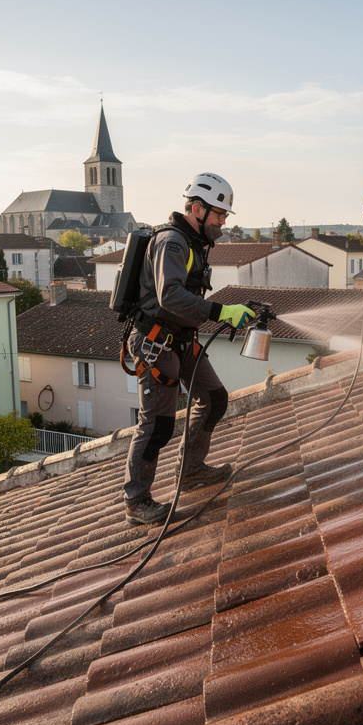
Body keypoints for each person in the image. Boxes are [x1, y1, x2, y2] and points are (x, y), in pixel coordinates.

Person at [122, 173, 256, 525]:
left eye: (225, 216)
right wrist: (220, 311)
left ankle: (192, 470)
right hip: (156, 344)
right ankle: (137, 503)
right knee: (158, 425)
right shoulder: (173, 242)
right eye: (219, 215)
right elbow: (170, 295)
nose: (223, 222)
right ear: (197, 209)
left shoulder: (194, 243)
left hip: (180, 340)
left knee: (214, 400)